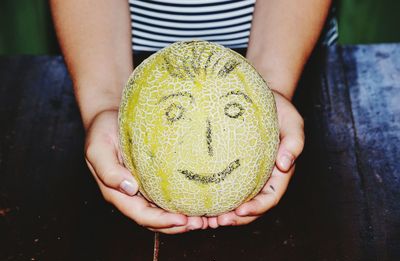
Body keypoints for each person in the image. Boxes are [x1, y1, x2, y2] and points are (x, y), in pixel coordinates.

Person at [50, 0, 334, 234]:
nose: (208, 146)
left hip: (291, 46)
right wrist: (106, 104)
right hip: (117, 56)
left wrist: (268, 94)